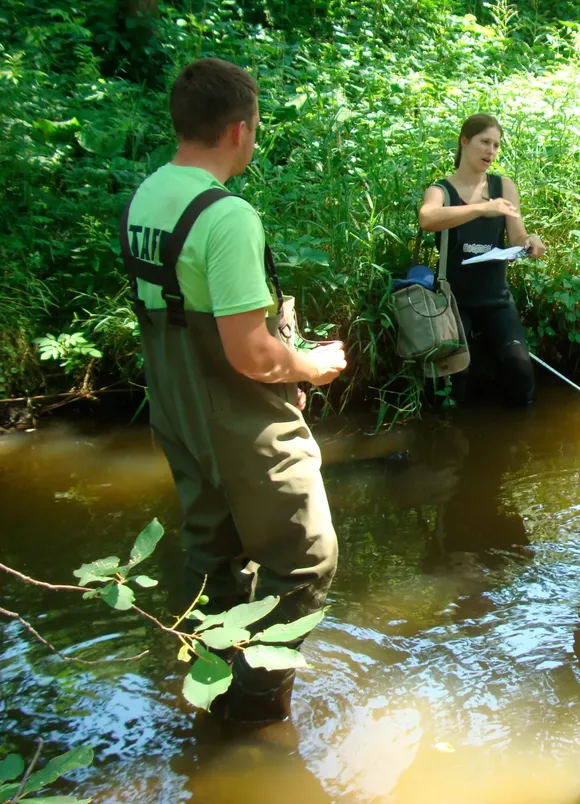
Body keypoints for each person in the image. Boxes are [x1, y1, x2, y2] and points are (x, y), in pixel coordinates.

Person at [118, 58, 346, 723]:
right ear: (240, 130)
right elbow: (250, 352)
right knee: (305, 562)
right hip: (238, 419)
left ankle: (209, 688)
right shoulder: (226, 217)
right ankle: (254, 706)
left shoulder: (143, 198)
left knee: (214, 557)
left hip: (176, 409)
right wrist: (309, 365)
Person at [417, 114, 547, 407]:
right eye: (485, 142)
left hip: (496, 300)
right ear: (464, 141)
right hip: (453, 303)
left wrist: (531, 242)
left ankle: (519, 445)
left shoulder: (504, 187)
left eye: (497, 145)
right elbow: (427, 218)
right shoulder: (441, 190)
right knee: (454, 385)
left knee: (520, 371)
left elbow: (517, 237)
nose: (491, 151)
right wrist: (480, 209)